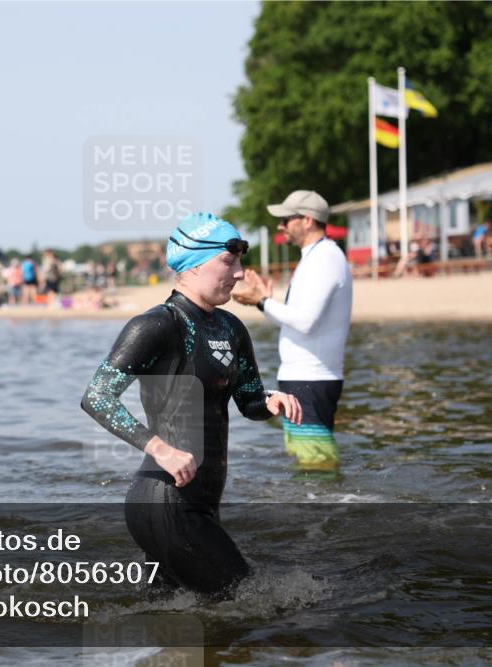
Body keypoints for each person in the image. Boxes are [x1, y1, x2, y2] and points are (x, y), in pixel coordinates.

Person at [81, 212, 302, 598]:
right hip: (165, 500)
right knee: (249, 600)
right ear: (194, 264)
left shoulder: (231, 329)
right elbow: (97, 396)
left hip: (203, 503)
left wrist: (271, 401)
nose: (240, 273)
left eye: (240, 261)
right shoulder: (157, 325)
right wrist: (161, 450)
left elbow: (249, 400)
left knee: (171, 617)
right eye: (229, 261)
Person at [232, 190, 352, 471]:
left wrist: (262, 301)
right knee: (308, 459)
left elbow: (306, 322)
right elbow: (296, 321)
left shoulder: (324, 258)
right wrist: (264, 302)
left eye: (286, 219)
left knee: (316, 463)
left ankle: (327, 499)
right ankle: (319, 498)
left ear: (307, 220)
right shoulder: (316, 257)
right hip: (305, 378)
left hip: (311, 378)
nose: (281, 225)